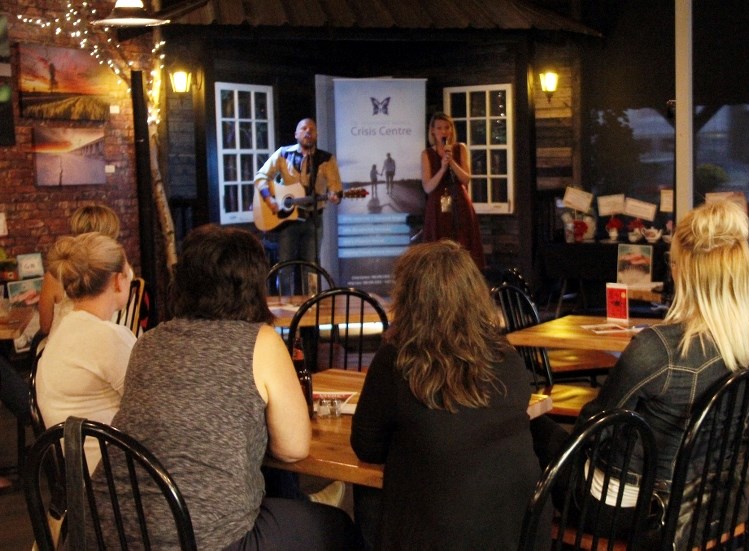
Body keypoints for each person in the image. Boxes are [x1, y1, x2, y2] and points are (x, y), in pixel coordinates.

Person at [95, 225, 357, 550]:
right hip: (202, 539)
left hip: (109, 530)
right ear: (251, 285)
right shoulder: (260, 341)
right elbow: (293, 448)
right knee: (339, 527)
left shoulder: (148, 342)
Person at [530, 200, 749, 541]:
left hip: (639, 512)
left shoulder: (657, 347)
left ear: (684, 271)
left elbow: (595, 429)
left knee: (534, 429)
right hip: (714, 504)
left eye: (673, 262)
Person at [350, 240, 550, 550]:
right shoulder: (507, 357)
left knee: (369, 499)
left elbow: (367, 447)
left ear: (409, 299)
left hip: (443, 537)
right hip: (521, 532)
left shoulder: (398, 361)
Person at [36, 232, 136, 471]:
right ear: (117, 280)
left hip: (78, 480)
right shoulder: (108, 337)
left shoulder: (66, 329)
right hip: (112, 484)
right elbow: (157, 408)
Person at [254, 118, 342, 264]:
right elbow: (261, 176)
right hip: (287, 220)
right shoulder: (283, 154)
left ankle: (312, 288)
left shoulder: (327, 159)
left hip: (313, 220)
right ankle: (286, 288)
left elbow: (336, 188)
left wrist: (335, 196)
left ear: (316, 135)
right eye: (304, 128)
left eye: (312, 129)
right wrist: (269, 199)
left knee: (311, 266)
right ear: (296, 134)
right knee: (285, 265)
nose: (308, 131)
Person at [38, 204, 121, 337]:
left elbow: (45, 326)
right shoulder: (122, 273)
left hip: (64, 350)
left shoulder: (57, 274)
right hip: (115, 349)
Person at [421, 112, 484, 269]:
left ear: (451, 130)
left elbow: (466, 179)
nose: (443, 131)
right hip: (438, 205)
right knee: (439, 246)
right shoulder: (427, 154)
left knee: (462, 243)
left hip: (459, 202)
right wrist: (442, 168)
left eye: (447, 127)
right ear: (433, 131)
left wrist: (452, 162)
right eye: (439, 128)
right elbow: (427, 187)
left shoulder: (460, 148)